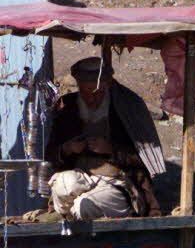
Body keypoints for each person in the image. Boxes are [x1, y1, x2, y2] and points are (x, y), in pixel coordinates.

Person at [46, 57, 161, 220]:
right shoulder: (67, 106)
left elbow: (146, 159)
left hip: (116, 183)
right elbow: (50, 154)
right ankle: (67, 216)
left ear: (107, 86)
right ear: (78, 86)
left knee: (84, 206)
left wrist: (111, 150)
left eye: (98, 93)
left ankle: (73, 215)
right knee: (62, 185)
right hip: (80, 177)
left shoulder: (126, 107)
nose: (92, 99)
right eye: (86, 93)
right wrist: (68, 148)